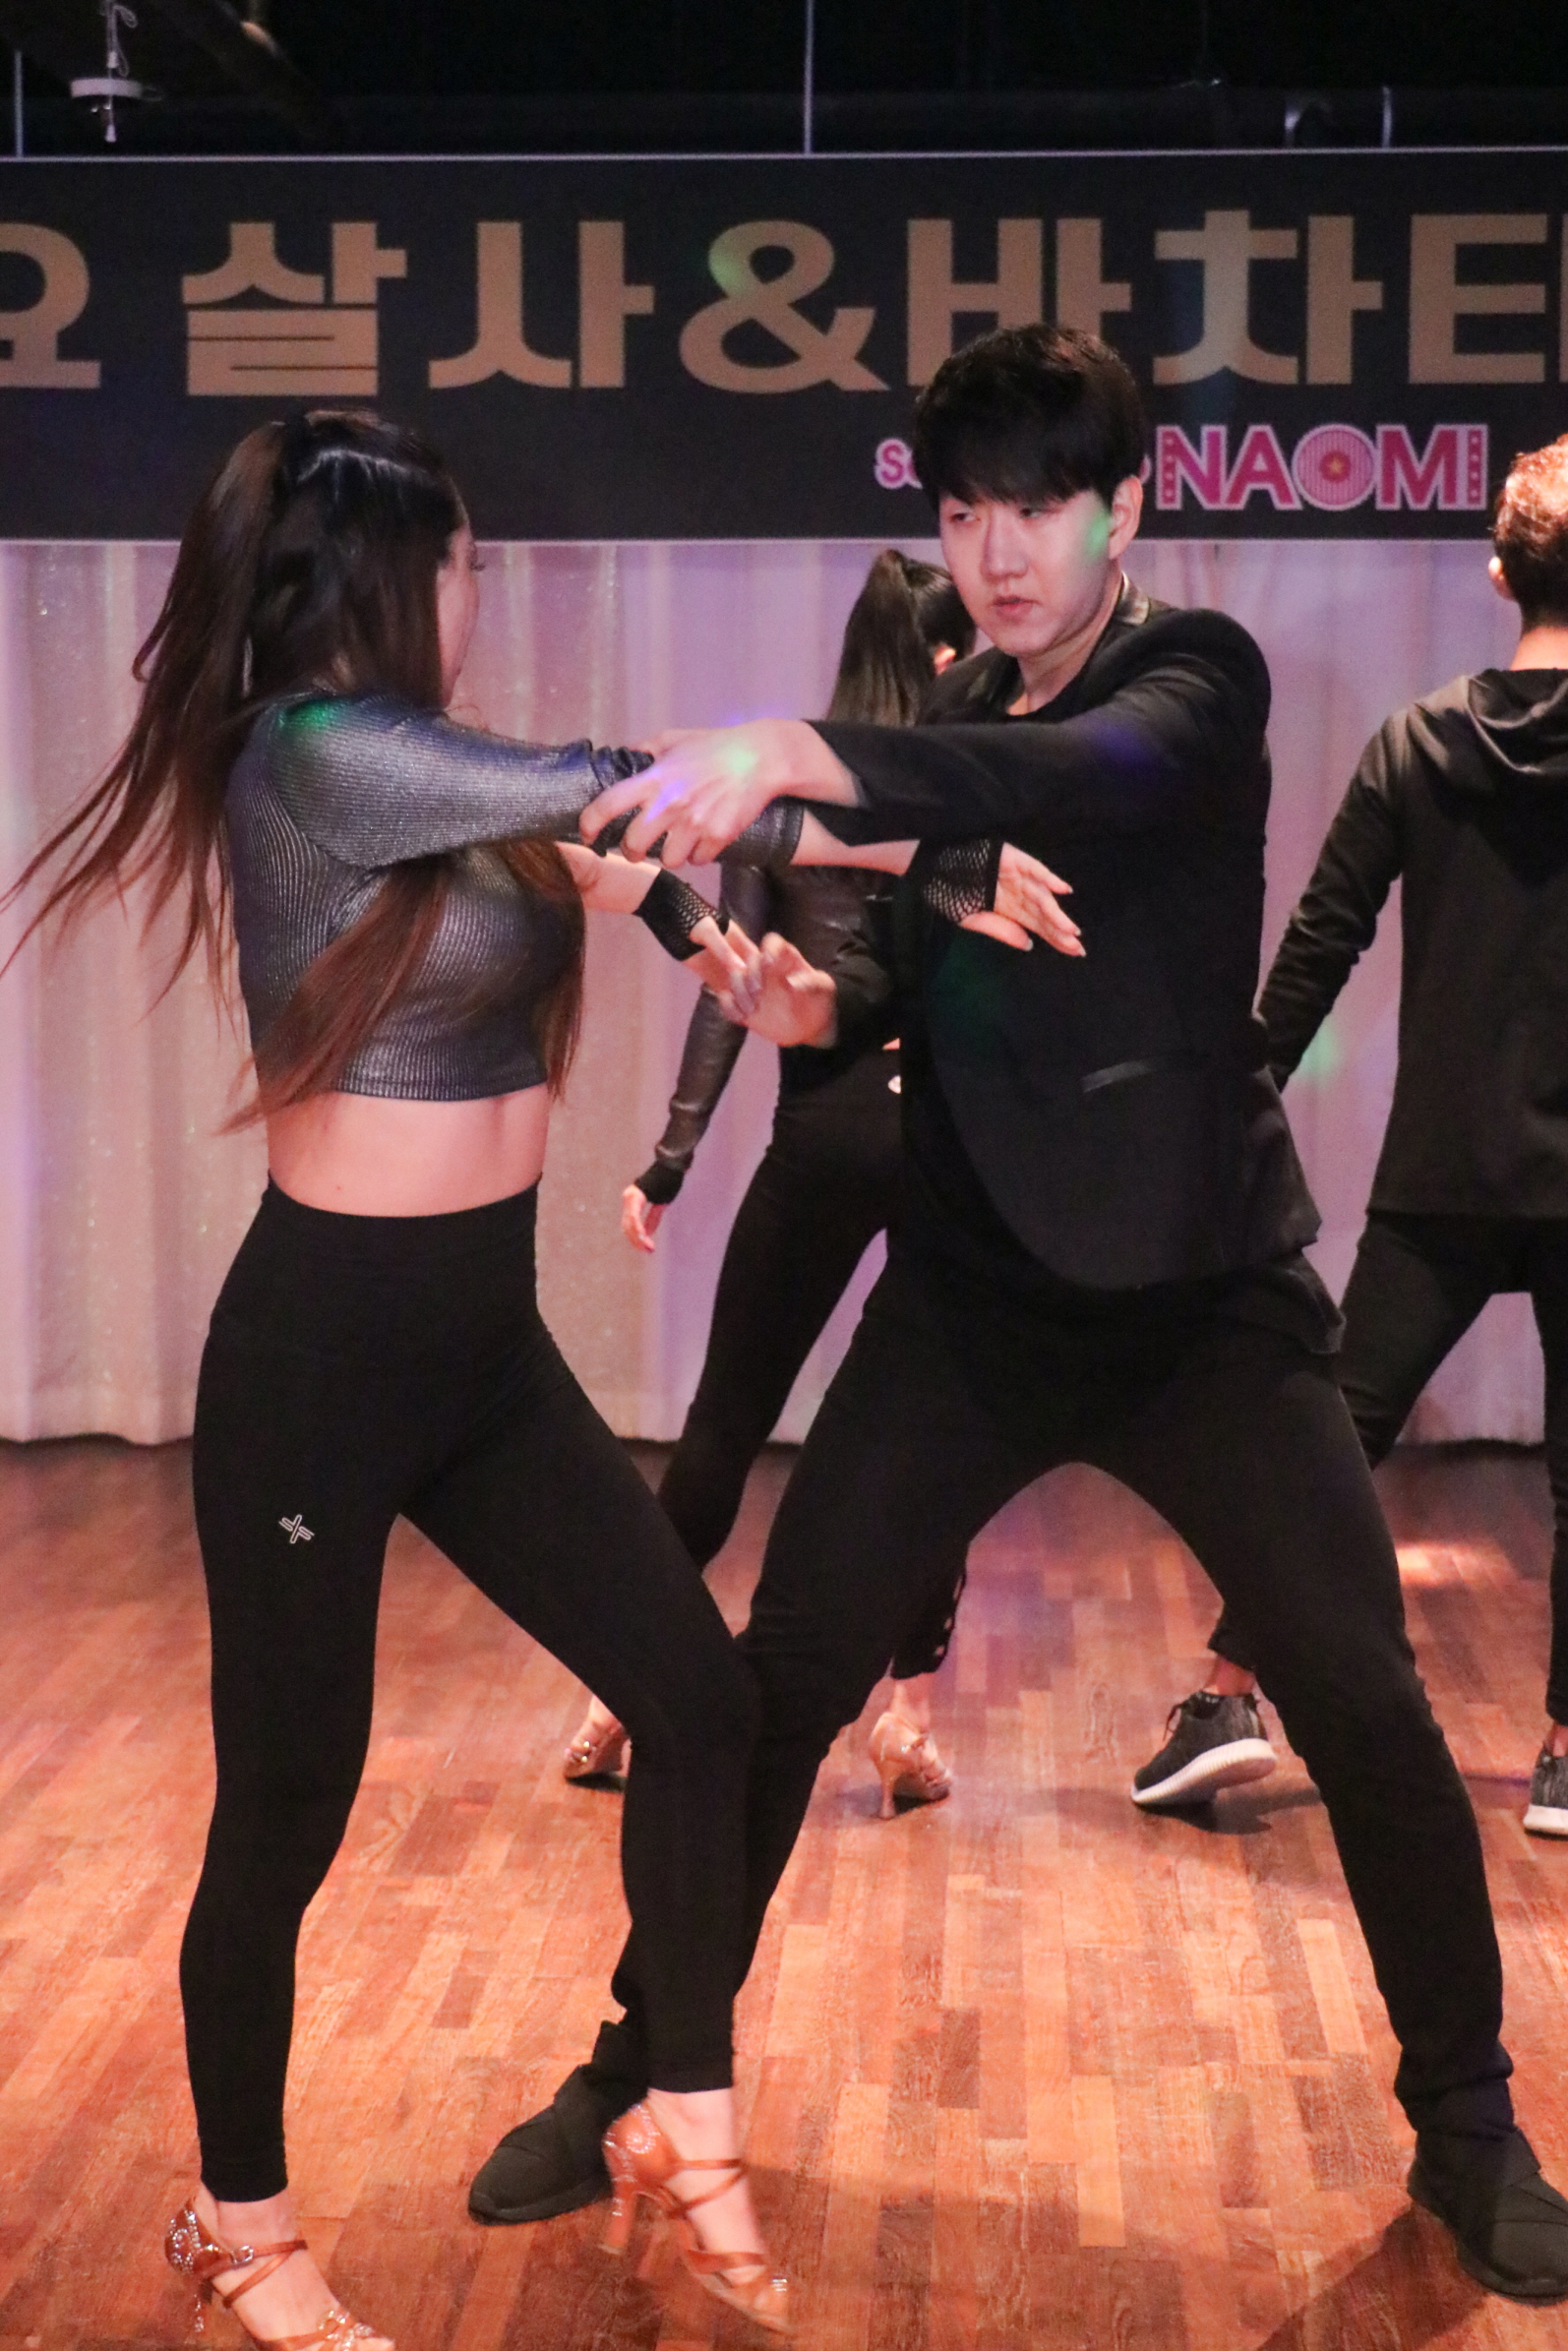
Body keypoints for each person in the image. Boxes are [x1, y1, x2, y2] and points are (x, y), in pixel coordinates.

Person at [474, 328, 1568, 2308]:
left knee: (1364, 1702)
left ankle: (1469, 2119)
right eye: (965, 510)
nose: (992, 551)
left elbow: (1063, 781)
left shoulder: (1194, 680)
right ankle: (640, 2056)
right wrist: (813, 1003)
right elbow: (905, 967)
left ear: (1121, 508)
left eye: (1036, 508)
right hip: (969, 1300)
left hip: (1204, 1304)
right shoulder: (964, 702)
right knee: (779, 1682)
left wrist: (804, 762)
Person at [3, 412, 797, 2347]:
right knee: (289, 1804)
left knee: (701, 1703)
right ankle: (238, 2222)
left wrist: (702, 932)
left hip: (480, 1355)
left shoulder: (428, 778)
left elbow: (591, 850)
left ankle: (680, 2106)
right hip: (322, 1363)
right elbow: (602, 787)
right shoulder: (312, 756)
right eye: (461, 561)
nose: (478, 590)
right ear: (384, 577)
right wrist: (830, 805)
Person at [1135, 433, 1568, 1837]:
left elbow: (1317, 948)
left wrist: (1226, 1108)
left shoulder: (1414, 743)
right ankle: (1566, 1754)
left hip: (1444, 1166)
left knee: (1327, 1438)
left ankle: (1225, 1693)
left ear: (1497, 574)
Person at [563, 549, 987, 1817]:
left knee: (725, 1424)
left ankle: (616, 1693)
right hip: (944, 1142)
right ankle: (907, 1721)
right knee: (934, 1439)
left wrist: (671, 1159)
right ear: (945, 656)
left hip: (826, 1130)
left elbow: (733, 987)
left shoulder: (785, 784)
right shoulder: (965, 789)